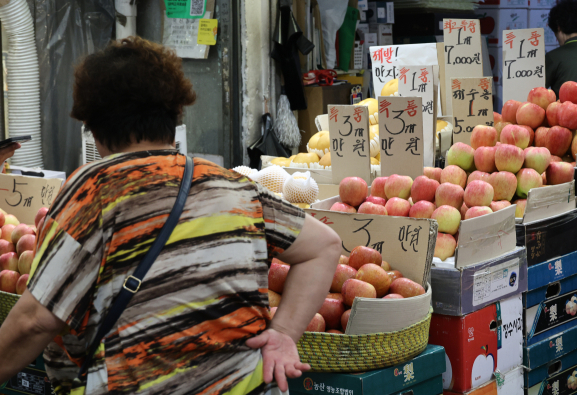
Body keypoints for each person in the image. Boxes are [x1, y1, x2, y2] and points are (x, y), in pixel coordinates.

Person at [0, 37, 342, 395]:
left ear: (92, 123)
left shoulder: (95, 189)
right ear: (175, 113)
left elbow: (35, 321)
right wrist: (283, 334)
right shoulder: (231, 186)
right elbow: (324, 245)